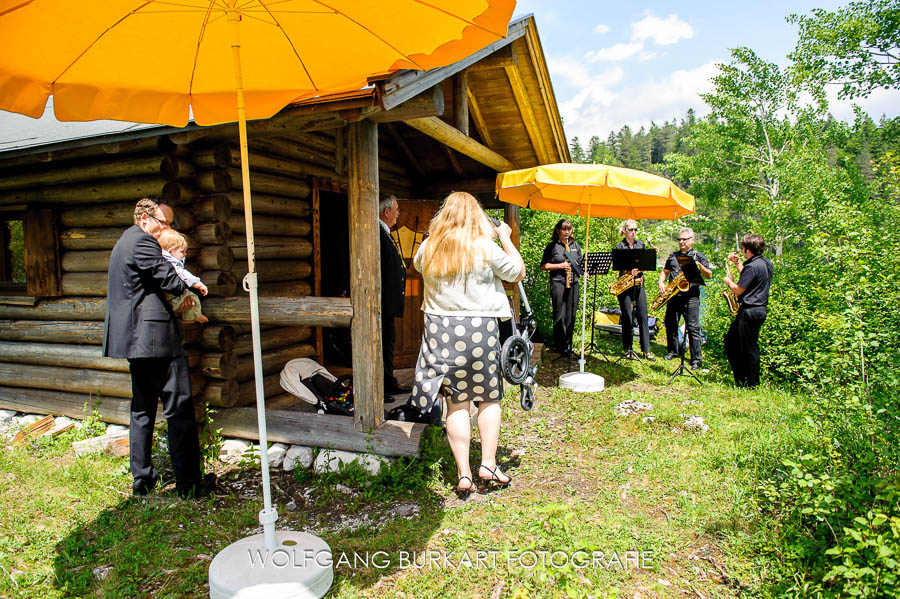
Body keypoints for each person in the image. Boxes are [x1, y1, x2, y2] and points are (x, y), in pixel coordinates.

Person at [411, 192, 525, 498]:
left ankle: (463, 473)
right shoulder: (484, 247)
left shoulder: (429, 247)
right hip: (479, 331)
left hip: (441, 332)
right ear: (476, 217)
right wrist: (505, 237)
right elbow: (518, 272)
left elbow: (418, 265)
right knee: (488, 398)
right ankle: (487, 464)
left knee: (456, 403)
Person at [102, 198, 215, 499]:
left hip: (136, 341)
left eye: (169, 223)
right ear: (143, 218)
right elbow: (167, 277)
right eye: (162, 222)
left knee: (142, 410)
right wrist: (188, 291)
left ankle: (143, 480)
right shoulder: (142, 242)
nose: (165, 228)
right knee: (178, 408)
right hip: (156, 339)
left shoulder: (125, 241)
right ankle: (190, 485)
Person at [723, 233, 774, 388]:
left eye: (743, 248)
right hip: (759, 310)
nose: (742, 251)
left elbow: (739, 290)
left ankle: (749, 382)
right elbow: (749, 277)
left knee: (745, 347)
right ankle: (745, 380)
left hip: (749, 310)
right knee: (739, 343)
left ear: (747, 249)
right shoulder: (765, 262)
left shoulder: (752, 266)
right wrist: (738, 265)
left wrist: (729, 282)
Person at [657, 227, 712, 369]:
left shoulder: (698, 256)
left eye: (684, 239)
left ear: (692, 240)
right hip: (674, 295)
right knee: (671, 323)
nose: (681, 242)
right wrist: (661, 282)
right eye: (679, 239)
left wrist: (700, 267)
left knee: (693, 328)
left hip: (691, 297)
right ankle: (673, 351)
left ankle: (696, 359)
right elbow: (665, 272)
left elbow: (709, 275)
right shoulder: (672, 256)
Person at [379, 196, 410, 399]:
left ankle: (388, 382)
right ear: (386, 211)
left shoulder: (384, 232)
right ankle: (381, 387)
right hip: (380, 301)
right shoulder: (377, 232)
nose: (398, 213)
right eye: (396, 209)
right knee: (380, 344)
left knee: (388, 343)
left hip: (387, 302)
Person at [540, 219, 582, 355]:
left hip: (573, 282)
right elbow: (543, 266)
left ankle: (568, 344)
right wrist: (560, 265)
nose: (566, 232)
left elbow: (580, 265)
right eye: (564, 229)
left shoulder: (576, 246)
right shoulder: (552, 246)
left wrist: (584, 272)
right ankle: (560, 345)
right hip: (558, 282)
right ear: (558, 230)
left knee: (571, 313)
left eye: (569, 229)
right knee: (559, 313)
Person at [614, 219, 654, 360]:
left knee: (643, 315)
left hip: (638, 283)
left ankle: (646, 350)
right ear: (624, 230)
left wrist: (640, 268)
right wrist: (628, 271)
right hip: (625, 283)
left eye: (635, 230)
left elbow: (645, 263)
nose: (633, 232)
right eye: (631, 229)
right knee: (627, 316)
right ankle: (628, 348)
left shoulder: (640, 244)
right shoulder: (620, 246)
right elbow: (618, 266)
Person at [158, 229, 209, 324]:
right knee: (193, 297)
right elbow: (184, 275)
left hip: (166, 298)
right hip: (172, 298)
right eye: (182, 251)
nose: (185, 255)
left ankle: (192, 316)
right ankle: (192, 317)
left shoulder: (160, 260)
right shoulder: (173, 264)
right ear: (171, 251)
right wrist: (198, 284)